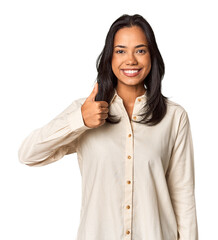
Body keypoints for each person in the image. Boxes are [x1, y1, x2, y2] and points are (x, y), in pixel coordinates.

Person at [18, 14, 198, 240]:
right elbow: (28, 154)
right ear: (109, 57)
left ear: (152, 56)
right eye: (120, 51)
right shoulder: (84, 110)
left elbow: (183, 197)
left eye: (140, 50)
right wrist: (79, 121)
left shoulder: (174, 117)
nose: (130, 60)